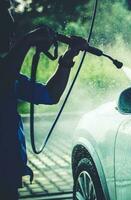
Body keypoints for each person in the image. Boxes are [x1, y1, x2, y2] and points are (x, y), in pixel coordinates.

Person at [0, 0, 89, 198]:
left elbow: (50, 95)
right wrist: (26, 41)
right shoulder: (6, 74)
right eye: (5, 26)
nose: (11, 33)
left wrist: (68, 57)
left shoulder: (9, 73)